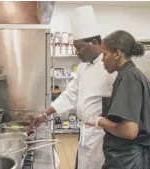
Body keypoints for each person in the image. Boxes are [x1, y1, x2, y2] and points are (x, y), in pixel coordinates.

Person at [26, 6, 116, 169]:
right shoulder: (83, 67)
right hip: (85, 133)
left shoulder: (111, 68)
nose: (76, 52)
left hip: (102, 136)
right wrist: (45, 115)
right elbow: (70, 94)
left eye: (79, 47)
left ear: (94, 43)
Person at [87, 30, 150, 169]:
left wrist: (101, 121)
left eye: (105, 54)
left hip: (129, 161)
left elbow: (129, 131)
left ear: (117, 54)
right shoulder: (130, 74)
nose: (102, 59)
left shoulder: (128, 77)